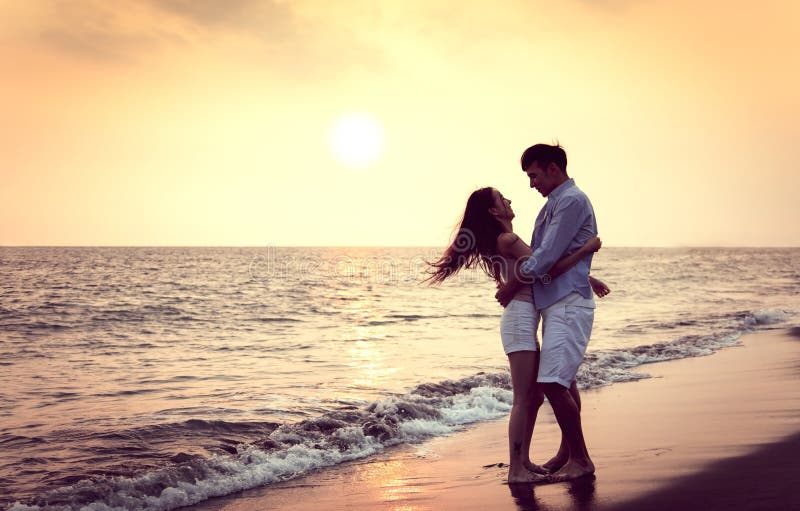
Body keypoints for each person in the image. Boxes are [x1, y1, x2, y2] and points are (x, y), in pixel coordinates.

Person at [426, 186, 608, 483]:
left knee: (535, 395)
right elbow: (546, 268)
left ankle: (525, 460)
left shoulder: (505, 239)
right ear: (494, 211)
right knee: (524, 398)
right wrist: (585, 251)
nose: (508, 200)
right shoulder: (507, 239)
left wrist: (587, 276)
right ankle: (516, 469)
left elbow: (543, 265)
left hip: (523, 319)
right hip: (520, 321)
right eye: (502, 199)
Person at [496, 143, 603, 482]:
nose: (531, 184)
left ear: (553, 169)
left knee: (552, 383)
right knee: (564, 381)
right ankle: (568, 453)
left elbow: (543, 258)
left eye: (534, 175)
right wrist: (583, 263)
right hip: (556, 301)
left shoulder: (569, 201)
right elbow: (547, 256)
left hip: (567, 301)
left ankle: (581, 459)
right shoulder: (555, 204)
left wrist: (514, 284)